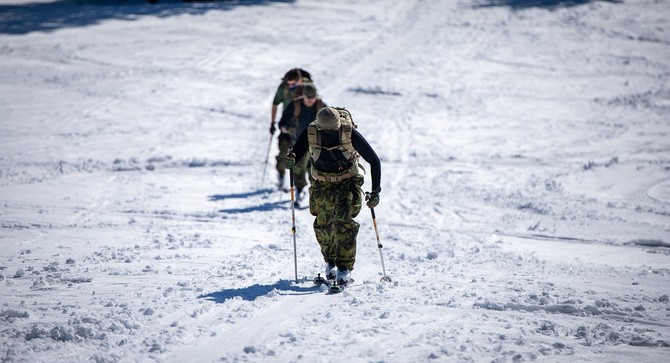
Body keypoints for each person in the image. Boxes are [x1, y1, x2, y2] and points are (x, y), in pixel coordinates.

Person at [284, 107, 381, 286]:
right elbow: (297, 154)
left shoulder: (348, 133)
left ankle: (344, 269)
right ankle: (330, 262)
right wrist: (290, 159)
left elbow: (374, 160)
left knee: (344, 224)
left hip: (347, 183)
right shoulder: (311, 132)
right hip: (321, 183)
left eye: (334, 129)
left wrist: (376, 191)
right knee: (323, 225)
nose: (332, 132)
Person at [275, 84, 326, 197]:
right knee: (298, 167)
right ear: (303, 95)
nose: (310, 100)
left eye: (313, 97)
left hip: (316, 143)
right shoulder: (295, 105)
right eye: (308, 97)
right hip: (297, 142)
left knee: (315, 168)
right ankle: (300, 189)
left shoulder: (321, 106)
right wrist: (288, 129)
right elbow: (281, 124)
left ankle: (316, 192)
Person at [269, 68, 313, 135]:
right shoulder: (283, 88)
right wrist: (272, 122)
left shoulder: (308, 87)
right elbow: (275, 104)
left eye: (293, 85)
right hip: (287, 123)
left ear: (300, 80)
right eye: (289, 84)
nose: (290, 87)